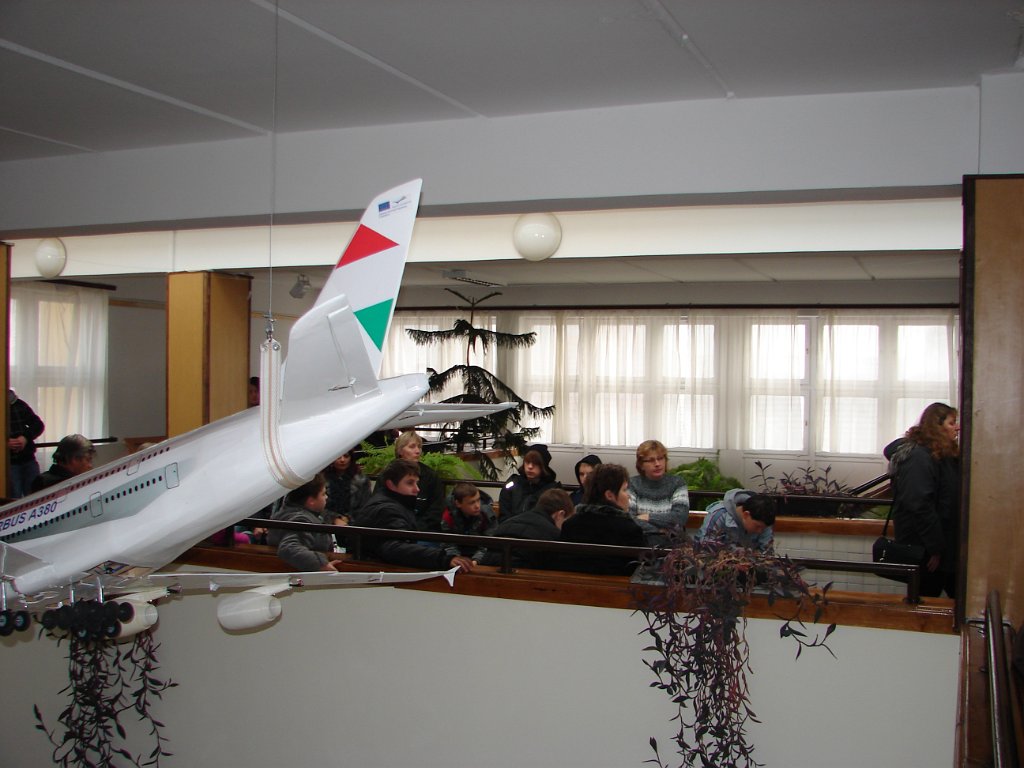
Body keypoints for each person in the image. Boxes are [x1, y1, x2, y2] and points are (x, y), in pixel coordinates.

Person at [883, 402, 960, 598]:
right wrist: (935, 548)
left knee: (951, 597)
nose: (957, 428)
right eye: (952, 423)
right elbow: (919, 505)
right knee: (925, 599)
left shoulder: (943, 455)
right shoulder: (919, 457)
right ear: (937, 426)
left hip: (943, 546)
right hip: (925, 548)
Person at [355, 460, 475, 572]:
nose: (417, 489)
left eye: (416, 483)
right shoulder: (387, 509)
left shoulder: (395, 504)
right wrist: (443, 559)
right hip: (373, 569)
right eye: (410, 483)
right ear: (391, 485)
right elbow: (396, 549)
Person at [554, 463, 646, 575]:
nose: (628, 495)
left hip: (572, 584)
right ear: (609, 495)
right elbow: (641, 571)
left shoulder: (570, 525)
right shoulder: (630, 530)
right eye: (624, 490)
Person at [480, 487, 575, 569]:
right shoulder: (553, 536)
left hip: (486, 572)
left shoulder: (508, 522)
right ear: (560, 514)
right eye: (566, 520)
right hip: (522, 579)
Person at [268, 474, 344, 572]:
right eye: (323, 494)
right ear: (311, 501)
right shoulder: (302, 520)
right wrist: (322, 565)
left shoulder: (286, 514)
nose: (326, 497)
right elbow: (289, 548)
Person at [627, 439, 690, 546]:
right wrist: (658, 532)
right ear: (641, 465)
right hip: (641, 545)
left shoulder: (677, 483)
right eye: (651, 460)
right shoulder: (632, 484)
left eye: (660, 458)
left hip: (672, 546)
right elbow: (629, 520)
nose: (657, 464)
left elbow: (680, 517)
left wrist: (647, 517)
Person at [391, 430, 445, 532]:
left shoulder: (430, 476)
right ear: (400, 451)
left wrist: (415, 530)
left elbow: (436, 509)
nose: (418, 451)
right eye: (412, 447)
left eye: (419, 447)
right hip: (393, 530)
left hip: (423, 532)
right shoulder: (389, 474)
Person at [694, 489, 776, 553]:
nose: (759, 531)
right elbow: (704, 548)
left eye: (763, 528)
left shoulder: (764, 520)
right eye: (757, 526)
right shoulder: (718, 516)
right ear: (746, 515)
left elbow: (766, 554)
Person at [498, 444, 560, 521]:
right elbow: (504, 514)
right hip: (510, 526)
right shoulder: (513, 484)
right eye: (527, 462)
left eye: (535, 463)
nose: (530, 467)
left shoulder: (552, 490)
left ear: (543, 466)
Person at [440, 482, 496, 558]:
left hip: (481, 555)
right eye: (472, 503)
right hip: (456, 554)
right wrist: (455, 559)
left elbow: (489, 543)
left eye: (478, 500)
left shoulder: (487, 514)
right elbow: (448, 544)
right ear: (458, 504)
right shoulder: (448, 516)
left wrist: (476, 560)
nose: (477, 506)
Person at [8, 389, 44, 498]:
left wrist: (25, 438)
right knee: (13, 498)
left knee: (35, 496)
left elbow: (38, 425)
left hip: (28, 459)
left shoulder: (20, 405)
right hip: (8, 463)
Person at [31, 434, 95, 492]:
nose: (90, 466)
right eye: (88, 460)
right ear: (74, 459)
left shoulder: (43, 480)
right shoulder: (45, 483)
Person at [324, 450, 370, 525]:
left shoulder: (361, 480)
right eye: (338, 457)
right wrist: (334, 518)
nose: (342, 460)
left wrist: (347, 519)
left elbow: (365, 506)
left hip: (355, 524)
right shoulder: (322, 480)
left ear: (351, 458)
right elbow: (316, 506)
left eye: (346, 456)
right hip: (326, 523)